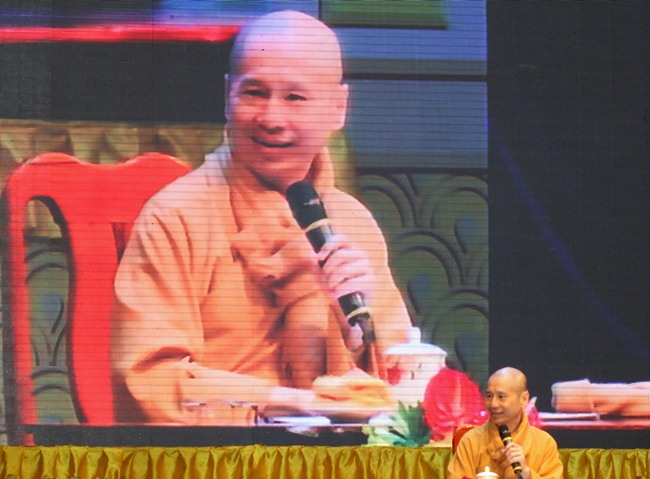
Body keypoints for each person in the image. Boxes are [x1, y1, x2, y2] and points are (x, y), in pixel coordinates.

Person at [111, 10, 411, 425]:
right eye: (254, 93)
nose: (271, 119)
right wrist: (289, 402)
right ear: (227, 96)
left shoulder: (351, 222)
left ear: (337, 108)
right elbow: (150, 380)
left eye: (295, 98)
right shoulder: (176, 217)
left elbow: (403, 384)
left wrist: (356, 332)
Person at [447, 367, 563, 479]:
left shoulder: (544, 443)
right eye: (489, 396)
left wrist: (527, 474)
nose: (493, 404)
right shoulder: (470, 441)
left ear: (524, 399)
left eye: (501, 397)